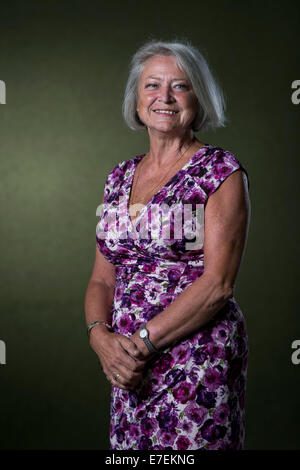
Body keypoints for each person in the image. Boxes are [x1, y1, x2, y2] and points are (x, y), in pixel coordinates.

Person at [84, 39, 251, 450]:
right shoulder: (118, 176)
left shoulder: (220, 171)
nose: (165, 97)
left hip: (195, 359)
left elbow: (218, 285)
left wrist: (141, 344)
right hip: (127, 367)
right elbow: (103, 279)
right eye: (152, 86)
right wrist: (100, 338)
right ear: (137, 101)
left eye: (180, 86)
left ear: (199, 98)